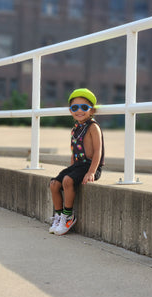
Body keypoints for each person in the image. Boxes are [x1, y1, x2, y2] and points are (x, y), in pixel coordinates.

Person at [49, 88, 105, 236]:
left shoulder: (93, 127)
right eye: (75, 108)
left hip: (89, 166)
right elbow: (74, 151)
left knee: (67, 181)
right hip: (77, 166)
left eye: (84, 107)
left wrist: (92, 171)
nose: (79, 111)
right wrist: (71, 167)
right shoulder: (75, 129)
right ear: (70, 110)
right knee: (54, 184)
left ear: (92, 110)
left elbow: (98, 151)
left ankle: (68, 216)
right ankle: (59, 215)